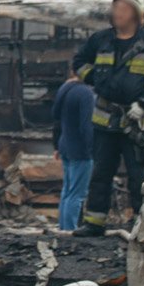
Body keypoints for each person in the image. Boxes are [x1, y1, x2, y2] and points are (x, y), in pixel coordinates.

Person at [70, 0, 144, 237]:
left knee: (139, 175)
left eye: (123, 8)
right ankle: (94, 222)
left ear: (136, 14)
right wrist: (94, 79)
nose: (117, 13)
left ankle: (142, 223)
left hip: (136, 123)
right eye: (116, 7)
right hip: (105, 121)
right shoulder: (100, 40)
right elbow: (78, 62)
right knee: (101, 171)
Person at [52, 73, 95, 231]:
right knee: (77, 194)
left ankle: (63, 228)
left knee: (67, 191)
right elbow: (87, 125)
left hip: (65, 146)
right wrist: (93, 149)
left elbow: (56, 121)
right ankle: (70, 230)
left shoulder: (65, 89)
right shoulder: (85, 93)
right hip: (80, 150)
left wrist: (56, 145)